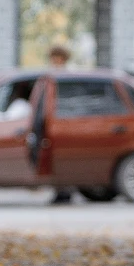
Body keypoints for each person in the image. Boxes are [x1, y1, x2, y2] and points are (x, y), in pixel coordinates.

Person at [47, 43, 75, 204]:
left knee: (65, 158)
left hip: (65, 121)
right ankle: (59, 190)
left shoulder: (68, 76)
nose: (55, 61)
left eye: (58, 58)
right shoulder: (50, 75)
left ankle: (66, 191)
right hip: (55, 121)